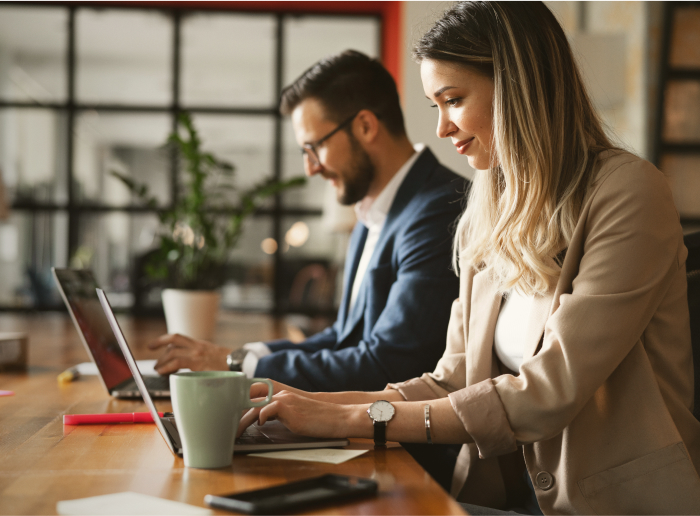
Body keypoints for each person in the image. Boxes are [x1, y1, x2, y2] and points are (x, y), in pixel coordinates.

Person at [236, 2, 700, 514]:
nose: (441, 128)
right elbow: (451, 379)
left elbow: (547, 392)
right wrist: (309, 405)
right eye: (435, 105)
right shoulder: (489, 206)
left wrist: (348, 420)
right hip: (510, 498)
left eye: (453, 100)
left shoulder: (629, 193)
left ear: (520, 86)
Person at [150, 50, 466, 393]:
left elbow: (387, 364)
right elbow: (344, 338)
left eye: (314, 147)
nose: (310, 168)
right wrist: (239, 356)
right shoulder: (371, 213)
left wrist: (234, 364)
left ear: (365, 126)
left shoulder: (439, 209)